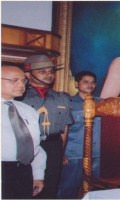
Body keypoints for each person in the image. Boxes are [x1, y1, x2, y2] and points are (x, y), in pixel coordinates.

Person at [18, 55, 74, 199]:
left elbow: (64, 128)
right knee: (25, 187)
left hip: (53, 146)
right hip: (27, 147)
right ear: (28, 75)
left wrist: (60, 153)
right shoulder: (19, 98)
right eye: (42, 71)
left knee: (50, 188)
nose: (49, 75)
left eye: (51, 71)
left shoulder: (62, 98)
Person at [1, 64, 47, 199]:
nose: (21, 85)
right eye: (14, 80)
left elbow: (35, 147)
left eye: (23, 81)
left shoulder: (28, 111)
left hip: (23, 172)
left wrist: (38, 175)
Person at [58, 71, 101, 198]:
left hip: (97, 154)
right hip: (74, 154)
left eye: (92, 82)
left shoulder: (102, 103)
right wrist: (61, 153)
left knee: (97, 189)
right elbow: (61, 130)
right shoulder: (68, 103)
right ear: (76, 84)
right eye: (85, 82)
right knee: (68, 188)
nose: (90, 85)